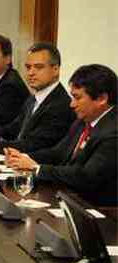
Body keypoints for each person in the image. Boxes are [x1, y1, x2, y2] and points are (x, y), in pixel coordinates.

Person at [6, 64, 117, 206]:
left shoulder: (113, 133)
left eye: (77, 98)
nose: (72, 104)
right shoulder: (83, 121)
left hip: (97, 210)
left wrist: (37, 168)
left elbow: (86, 177)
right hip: (67, 196)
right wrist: (23, 158)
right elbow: (58, 153)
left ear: (101, 99)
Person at [0, 43, 75, 152]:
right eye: (28, 67)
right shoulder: (34, 98)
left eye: (38, 67)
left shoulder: (61, 105)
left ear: (55, 69)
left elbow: (33, 145)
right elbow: (14, 127)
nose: (31, 73)